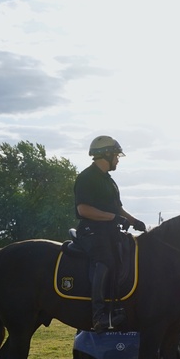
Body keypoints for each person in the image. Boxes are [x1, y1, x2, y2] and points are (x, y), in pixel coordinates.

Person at [74, 136, 146, 332]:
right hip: (91, 232)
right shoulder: (87, 178)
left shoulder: (109, 181)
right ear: (106, 154)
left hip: (108, 231)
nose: (118, 159)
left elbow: (118, 210)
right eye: (116, 155)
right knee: (105, 258)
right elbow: (83, 210)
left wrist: (134, 221)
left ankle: (119, 305)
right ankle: (98, 315)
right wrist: (113, 218)